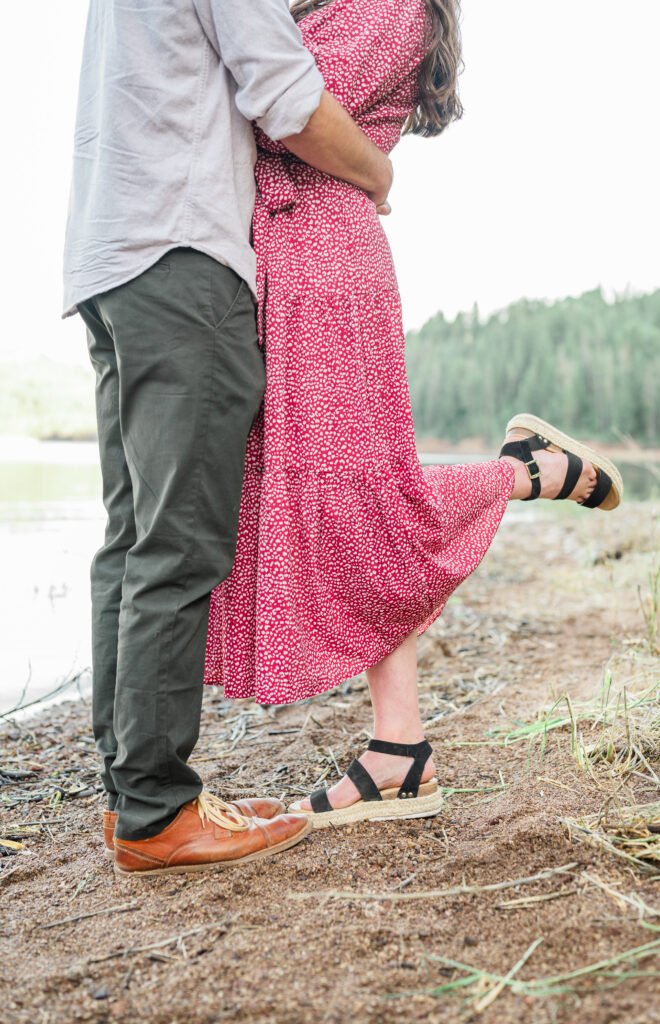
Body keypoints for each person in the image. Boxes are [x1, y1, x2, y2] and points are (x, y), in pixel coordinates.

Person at [205, 0, 623, 828]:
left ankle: (529, 473)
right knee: (353, 505)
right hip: (289, 254)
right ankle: (398, 747)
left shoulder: (392, 4)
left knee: (361, 502)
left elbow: (281, 108)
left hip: (322, 262)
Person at [63, 0, 396, 876]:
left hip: (111, 259)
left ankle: (135, 795)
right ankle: (157, 813)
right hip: (184, 258)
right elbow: (290, 99)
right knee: (177, 545)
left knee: (134, 538)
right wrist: (377, 172)